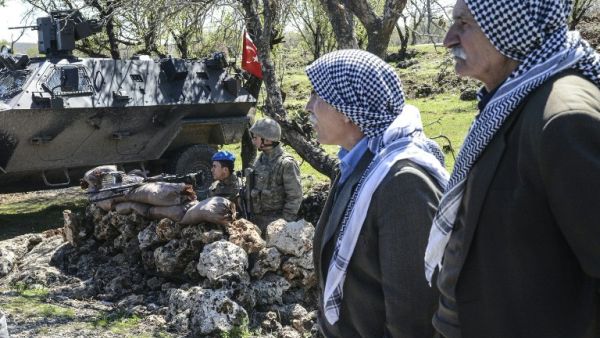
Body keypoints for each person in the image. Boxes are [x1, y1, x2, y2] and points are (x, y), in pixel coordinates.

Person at [424, 0, 600, 337]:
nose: (448, 39)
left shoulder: (563, 119)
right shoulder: (509, 101)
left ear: (512, 28)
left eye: (464, 23)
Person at [306, 49, 450, 337]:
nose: (308, 106)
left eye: (317, 96)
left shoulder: (403, 182)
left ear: (348, 110)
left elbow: (414, 313)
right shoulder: (357, 164)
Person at [246, 118, 302, 229]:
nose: (253, 140)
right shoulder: (261, 158)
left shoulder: (286, 164)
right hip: (257, 219)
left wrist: (284, 224)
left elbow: (295, 197)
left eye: (255, 137)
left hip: (277, 223)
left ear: (267, 140)